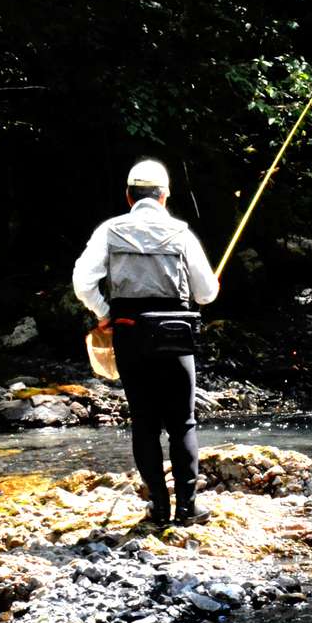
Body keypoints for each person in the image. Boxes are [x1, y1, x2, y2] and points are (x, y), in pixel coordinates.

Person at [72, 159, 220, 524]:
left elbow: (82, 281)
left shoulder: (110, 230)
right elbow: (205, 295)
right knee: (182, 422)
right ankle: (187, 507)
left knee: (144, 422)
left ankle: (158, 505)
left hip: (129, 333)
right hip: (175, 337)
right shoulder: (182, 233)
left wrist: (104, 311)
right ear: (164, 195)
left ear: (128, 196)